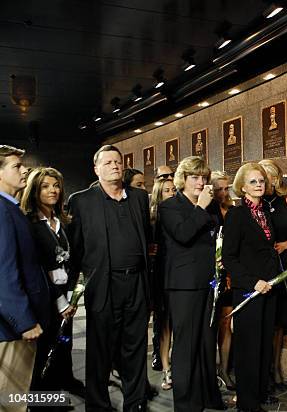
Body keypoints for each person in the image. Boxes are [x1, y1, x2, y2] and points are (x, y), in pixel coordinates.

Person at [68, 145, 151, 412]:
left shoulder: (139, 197)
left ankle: (135, 402)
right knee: (100, 349)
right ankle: (98, 404)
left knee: (135, 346)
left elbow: (147, 238)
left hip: (137, 282)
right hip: (104, 285)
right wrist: (69, 293)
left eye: (118, 161)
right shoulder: (81, 201)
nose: (115, 166)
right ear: (97, 169)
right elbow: (75, 249)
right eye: (108, 162)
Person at [158, 156, 224, 412]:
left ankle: (208, 396)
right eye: (195, 177)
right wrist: (201, 208)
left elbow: (217, 237)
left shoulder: (211, 206)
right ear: (182, 180)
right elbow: (183, 235)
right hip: (183, 285)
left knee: (207, 341)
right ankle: (186, 404)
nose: (201, 182)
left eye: (204, 178)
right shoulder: (170, 207)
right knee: (185, 344)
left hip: (209, 282)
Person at [20, 167, 85, 405]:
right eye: (46, 186)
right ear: (35, 190)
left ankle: (65, 381)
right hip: (45, 298)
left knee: (64, 342)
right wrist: (61, 302)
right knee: (44, 349)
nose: (53, 190)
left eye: (56, 185)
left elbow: (73, 259)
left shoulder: (63, 221)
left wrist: (72, 296)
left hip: (66, 293)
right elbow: (37, 266)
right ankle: (44, 399)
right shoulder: (30, 223)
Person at [222, 162, 280, 412]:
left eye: (262, 181)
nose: (259, 185)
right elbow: (229, 258)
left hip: (269, 288)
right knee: (248, 348)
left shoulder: (265, 212)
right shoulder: (237, 215)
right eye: (254, 181)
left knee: (264, 343)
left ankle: (260, 393)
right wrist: (252, 281)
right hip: (249, 290)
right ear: (242, 187)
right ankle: (247, 403)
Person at [0, 146, 51, 412]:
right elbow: (3, 272)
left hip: (13, 326)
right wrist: (24, 321)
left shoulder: (11, 208)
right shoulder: (2, 210)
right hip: (11, 329)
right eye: (16, 167)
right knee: (11, 401)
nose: (24, 170)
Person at [259, 159, 287, 392]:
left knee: (278, 323)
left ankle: (275, 369)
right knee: (264, 321)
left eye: (268, 177)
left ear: (276, 179)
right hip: (263, 270)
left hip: (283, 266)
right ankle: (263, 371)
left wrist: (285, 245)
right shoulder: (256, 205)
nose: (265, 181)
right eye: (260, 177)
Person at [206, 171, 235, 390]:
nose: (224, 193)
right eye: (219, 189)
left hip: (230, 274)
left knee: (226, 322)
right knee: (210, 324)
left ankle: (224, 369)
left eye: (227, 188)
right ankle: (208, 371)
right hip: (210, 275)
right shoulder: (206, 210)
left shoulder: (234, 210)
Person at [149, 177, 176, 389]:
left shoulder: (180, 214)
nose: (172, 193)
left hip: (178, 274)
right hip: (161, 276)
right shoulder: (152, 220)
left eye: (174, 189)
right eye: (167, 190)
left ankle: (176, 366)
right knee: (164, 325)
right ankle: (166, 369)